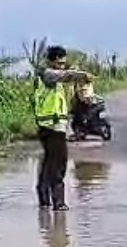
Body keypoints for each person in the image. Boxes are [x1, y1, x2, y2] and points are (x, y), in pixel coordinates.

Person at [33, 45, 93, 210]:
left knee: (48, 164)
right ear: (50, 62)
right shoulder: (48, 75)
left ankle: (44, 201)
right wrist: (81, 75)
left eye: (63, 63)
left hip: (52, 127)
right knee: (59, 164)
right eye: (58, 63)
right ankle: (58, 203)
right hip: (51, 127)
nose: (61, 66)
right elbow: (65, 75)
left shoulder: (52, 79)